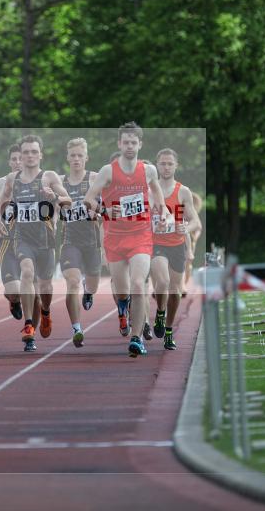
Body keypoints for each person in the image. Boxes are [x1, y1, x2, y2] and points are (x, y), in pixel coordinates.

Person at [84, 122, 170, 357]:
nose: (130, 146)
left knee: (138, 283)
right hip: (114, 240)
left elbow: (157, 193)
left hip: (141, 236)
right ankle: (123, 305)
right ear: (119, 144)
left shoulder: (149, 170)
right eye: (126, 142)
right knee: (122, 291)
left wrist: (161, 212)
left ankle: (136, 337)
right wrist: (103, 211)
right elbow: (89, 199)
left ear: (140, 144)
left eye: (134, 142)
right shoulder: (108, 171)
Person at [0, 135, 72, 352]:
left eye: (33, 152)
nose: (29, 156)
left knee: (45, 288)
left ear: (40, 154)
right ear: (21, 155)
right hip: (22, 238)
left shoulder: (49, 177)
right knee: (27, 273)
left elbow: (68, 201)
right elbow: (2, 202)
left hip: (45, 239)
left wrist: (54, 198)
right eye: (26, 152)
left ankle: (46, 312)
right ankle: (29, 326)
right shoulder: (13, 179)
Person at [150, 148, 201, 351]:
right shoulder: (150, 190)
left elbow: (195, 221)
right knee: (162, 281)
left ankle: (169, 330)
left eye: (170, 163)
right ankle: (160, 314)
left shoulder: (183, 191)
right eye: (162, 163)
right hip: (156, 244)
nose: (166, 167)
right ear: (157, 165)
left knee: (176, 292)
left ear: (176, 166)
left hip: (177, 244)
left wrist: (185, 227)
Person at [58, 138, 102, 348]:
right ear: (67, 158)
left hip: (92, 241)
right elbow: (48, 207)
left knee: (91, 284)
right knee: (72, 282)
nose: (76, 159)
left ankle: (89, 292)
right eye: (72, 155)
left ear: (86, 158)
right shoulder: (59, 181)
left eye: (80, 156)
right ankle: (76, 328)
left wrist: (98, 212)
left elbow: (107, 206)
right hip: (70, 241)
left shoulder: (94, 179)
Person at [0, 144, 31, 322]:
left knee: (31, 283)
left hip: (30, 240)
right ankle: (14, 301)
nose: (18, 162)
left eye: (21, 158)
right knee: (13, 291)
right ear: (9, 162)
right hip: (6, 240)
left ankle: (33, 319)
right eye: (14, 159)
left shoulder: (36, 181)